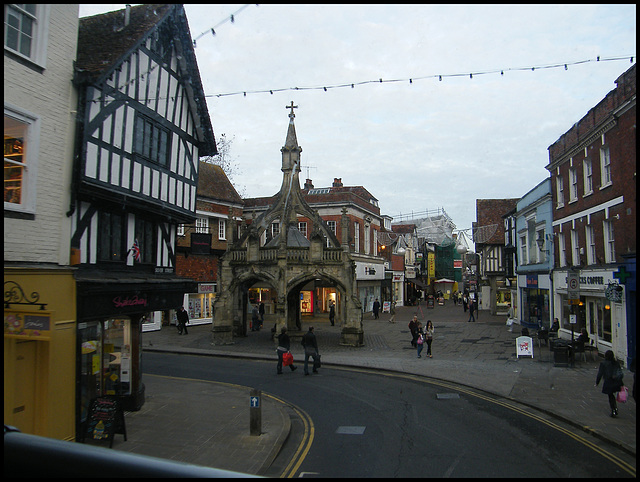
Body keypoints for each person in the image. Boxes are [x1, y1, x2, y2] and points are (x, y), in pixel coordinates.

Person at [595, 350, 624, 417]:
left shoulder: (603, 363)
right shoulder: (616, 363)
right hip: (617, 381)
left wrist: (597, 382)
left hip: (609, 381)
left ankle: (614, 409)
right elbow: (619, 372)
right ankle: (614, 408)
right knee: (612, 395)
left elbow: (600, 374)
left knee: (610, 396)